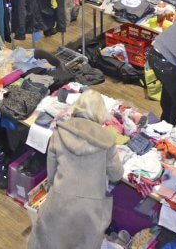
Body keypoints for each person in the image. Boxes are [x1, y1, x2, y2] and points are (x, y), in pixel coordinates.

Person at [27, 90, 123, 249]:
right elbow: (116, 175)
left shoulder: (59, 132)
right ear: (100, 112)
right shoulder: (107, 140)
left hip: (60, 200)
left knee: (49, 241)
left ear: (77, 106)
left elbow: (51, 173)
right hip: (90, 210)